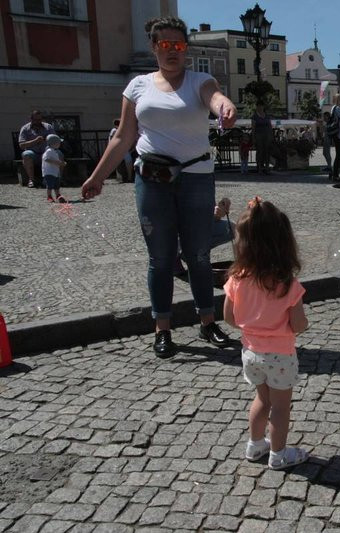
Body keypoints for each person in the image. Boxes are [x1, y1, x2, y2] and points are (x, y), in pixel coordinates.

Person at [80, 15, 237, 358]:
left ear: (186, 49)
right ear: (154, 47)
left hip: (196, 178)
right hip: (153, 181)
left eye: (178, 45)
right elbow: (123, 137)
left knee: (198, 253)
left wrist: (224, 106)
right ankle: (162, 328)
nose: (172, 51)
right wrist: (97, 177)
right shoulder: (137, 86)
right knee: (161, 258)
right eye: (164, 44)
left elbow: (215, 99)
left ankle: (208, 322)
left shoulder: (200, 80)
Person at [223, 197, 309, 469]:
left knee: (262, 398)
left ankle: (255, 445)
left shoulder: (237, 279)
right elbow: (298, 324)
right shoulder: (287, 284)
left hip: (251, 353)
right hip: (281, 356)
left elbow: (229, 317)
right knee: (281, 407)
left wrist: (253, 326)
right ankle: (279, 454)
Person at [18, 110, 57, 188]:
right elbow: (21, 145)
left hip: (46, 152)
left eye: (39, 120)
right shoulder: (25, 128)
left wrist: (48, 140)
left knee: (58, 153)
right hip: (33, 154)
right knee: (26, 154)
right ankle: (31, 180)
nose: (38, 122)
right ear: (31, 119)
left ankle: (57, 179)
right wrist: (35, 141)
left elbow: (56, 140)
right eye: (36, 120)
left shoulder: (48, 127)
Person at [42, 134, 67, 203]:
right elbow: (46, 159)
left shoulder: (54, 151)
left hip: (55, 172)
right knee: (50, 185)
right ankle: (49, 196)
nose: (60, 144)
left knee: (57, 185)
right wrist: (59, 163)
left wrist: (60, 163)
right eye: (59, 143)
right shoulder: (49, 151)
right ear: (54, 143)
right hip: (49, 172)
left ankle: (58, 196)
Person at [252, 103, 273, 175]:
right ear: (257, 107)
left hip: (267, 136)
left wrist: (271, 135)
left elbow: (270, 126)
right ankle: (259, 168)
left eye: (261, 106)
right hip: (258, 135)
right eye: (258, 106)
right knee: (260, 152)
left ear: (263, 107)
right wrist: (253, 138)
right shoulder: (255, 117)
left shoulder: (267, 116)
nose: (260, 108)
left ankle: (267, 168)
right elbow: (253, 128)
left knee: (267, 152)